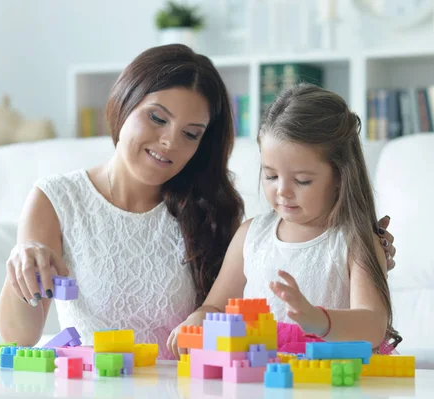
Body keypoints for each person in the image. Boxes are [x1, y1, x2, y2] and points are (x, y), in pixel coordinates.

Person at [0, 44, 397, 360]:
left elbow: (245, 292)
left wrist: (353, 243)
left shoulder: (212, 209)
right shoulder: (56, 199)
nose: (169, 141)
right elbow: (20, 337)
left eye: (191, 133)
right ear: (124, 102)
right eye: (157, 118)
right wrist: (22, 263)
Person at [168, 83, 400, 357]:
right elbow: (215, 307)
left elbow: (373, 325)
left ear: (340, 177)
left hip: (334, 380)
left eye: (302, 180)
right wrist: (198, 319)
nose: (282, 191)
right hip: (261, 377)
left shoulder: (354, 241)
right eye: (270, 176)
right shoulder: (250, 236)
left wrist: (319, 320)